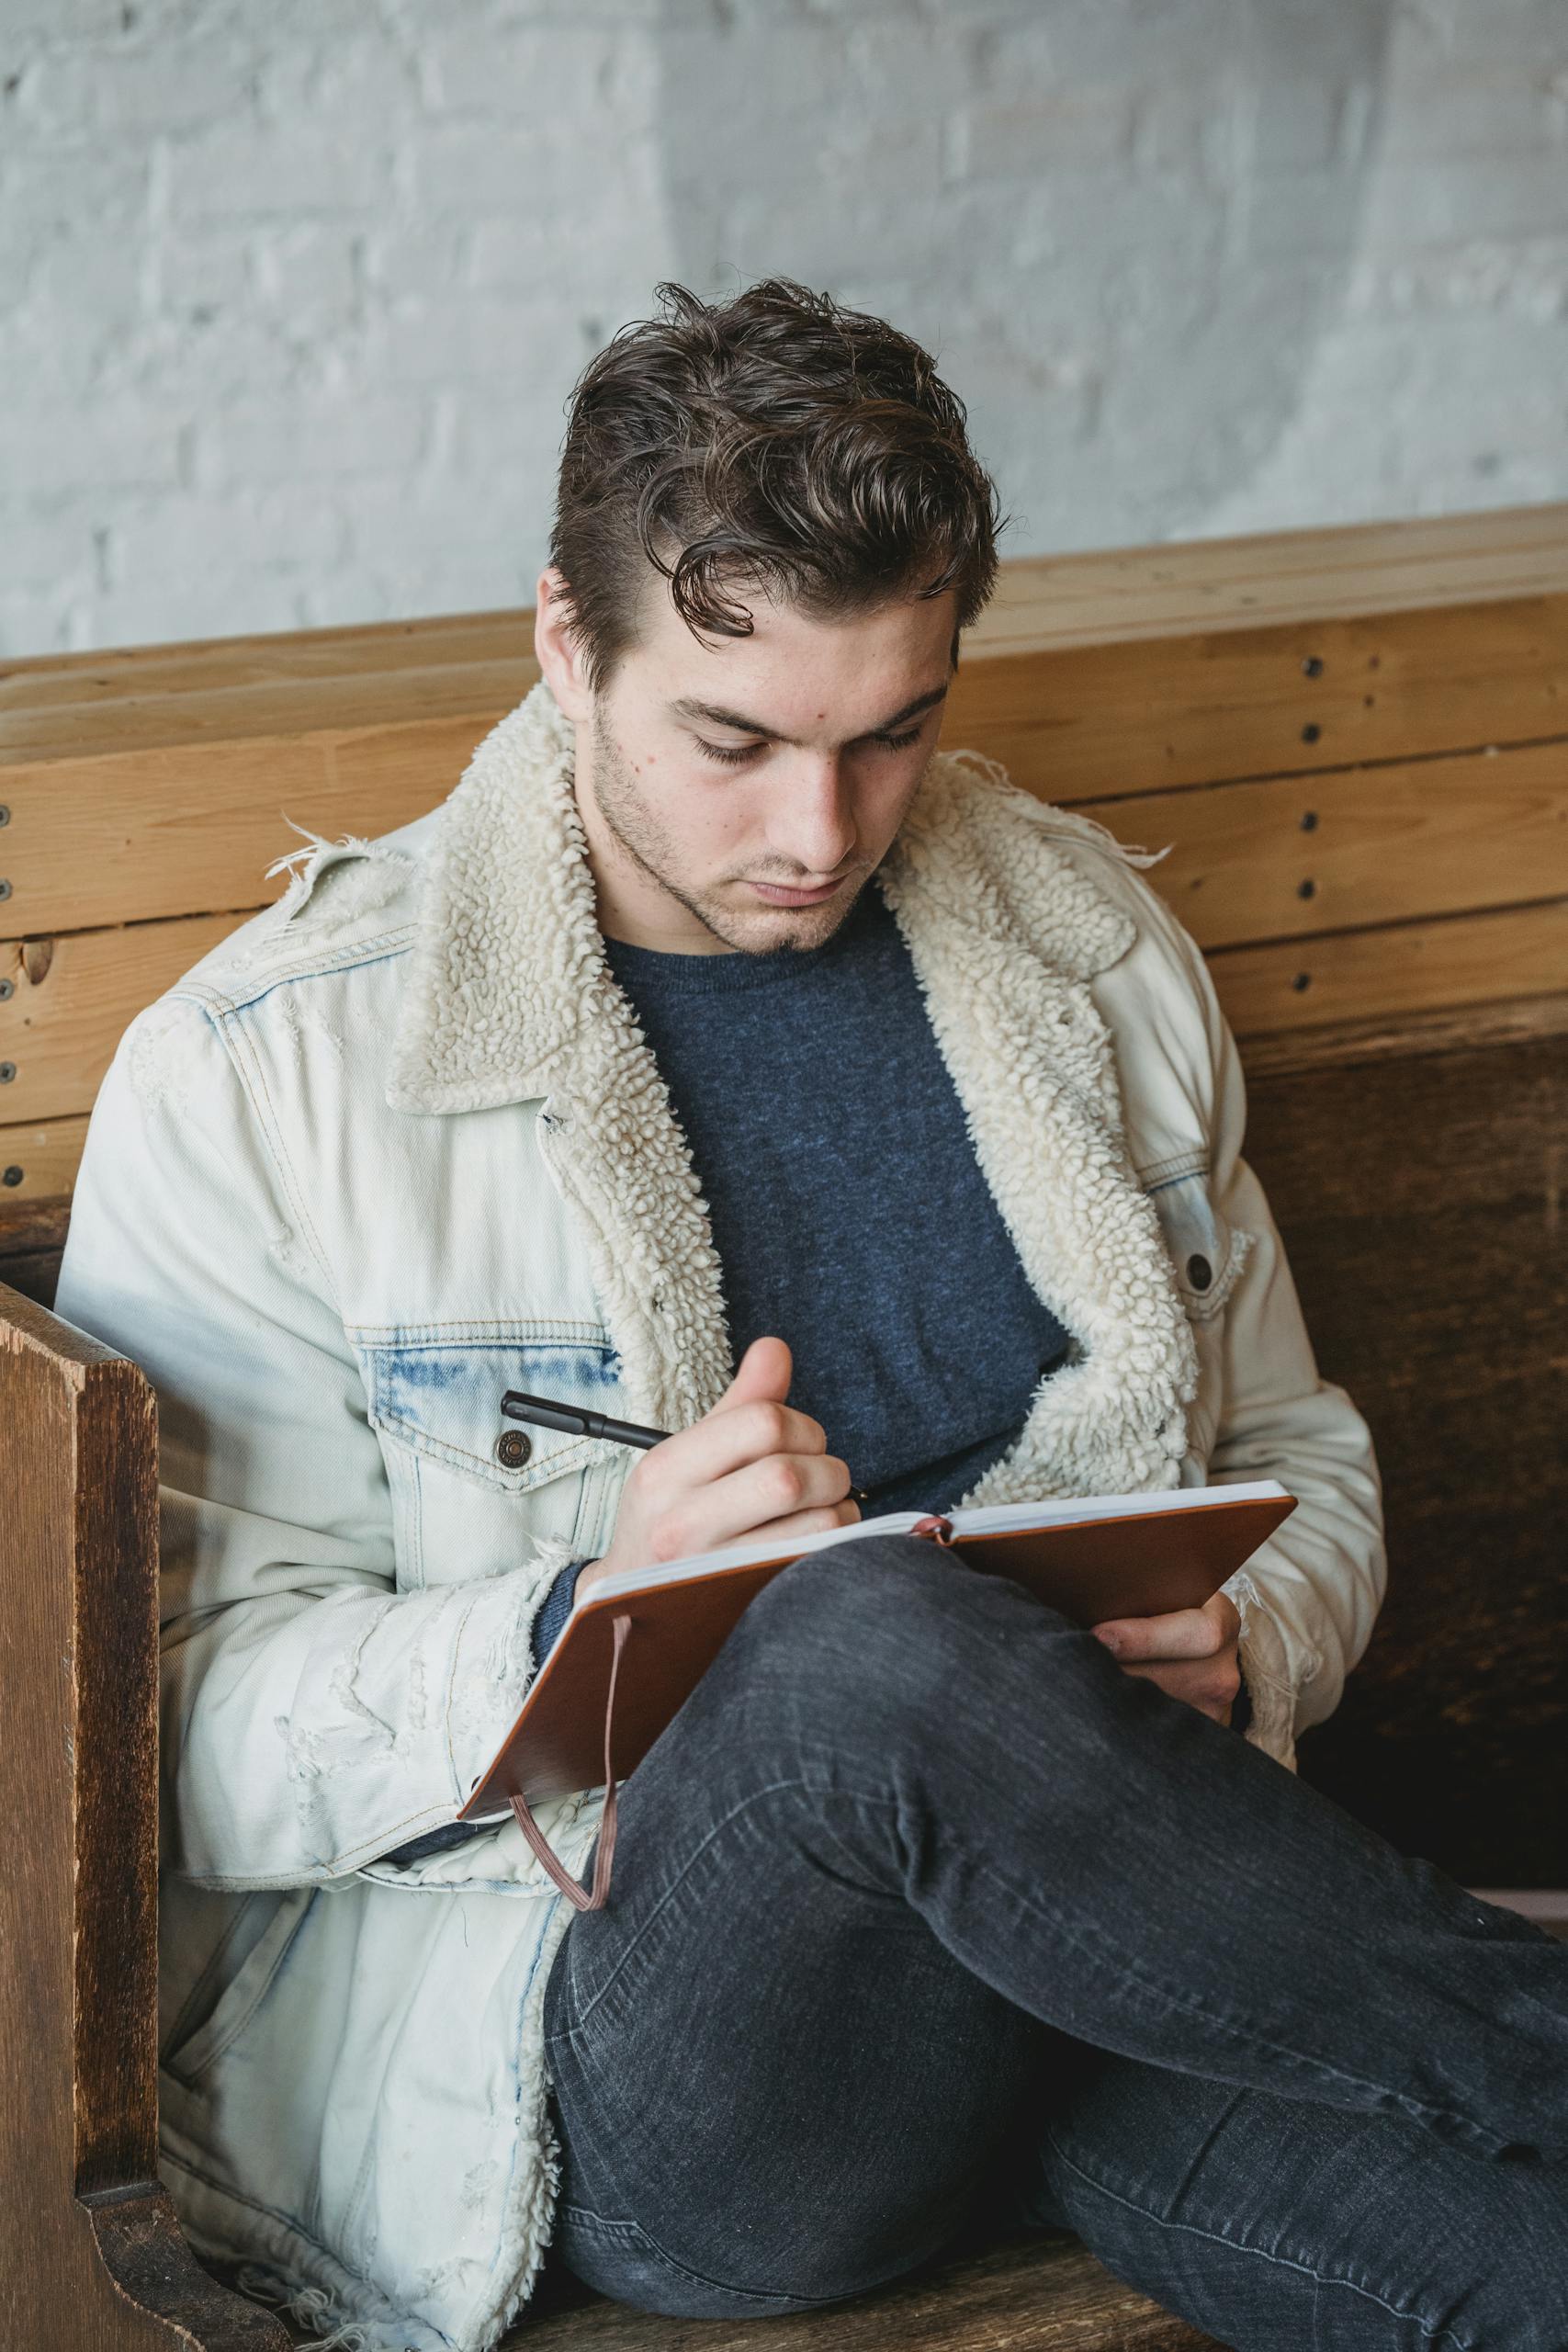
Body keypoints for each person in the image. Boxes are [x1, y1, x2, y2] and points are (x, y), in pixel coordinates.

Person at [54, 278, 1568, 2352]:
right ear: (563, 644)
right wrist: (587, 1613)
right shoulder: (269, 1074)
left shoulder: (1082, 946)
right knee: (862, 1629)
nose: (814, 833)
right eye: (731, 738)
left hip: (1114, 1971)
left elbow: (1294, 1456)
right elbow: (162, 1753)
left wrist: (1247, 1639)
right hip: (638, 2080)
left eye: (890, 734)